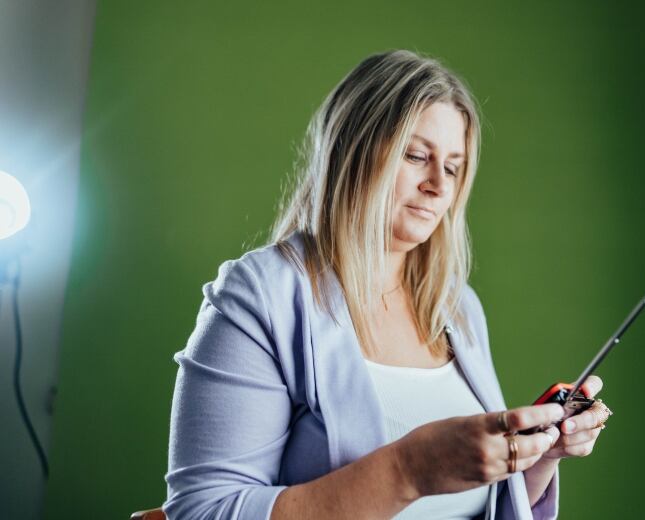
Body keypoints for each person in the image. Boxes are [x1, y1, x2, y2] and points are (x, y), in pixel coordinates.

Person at [163, 49, 612, 520]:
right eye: (417, 156)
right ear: (352, 150)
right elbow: (202, 511)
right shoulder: (259, 298)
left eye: (454, 167)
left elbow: (481, 505)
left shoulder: (456, 307)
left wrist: (537, 455)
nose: (439, 184)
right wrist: (409, 469)